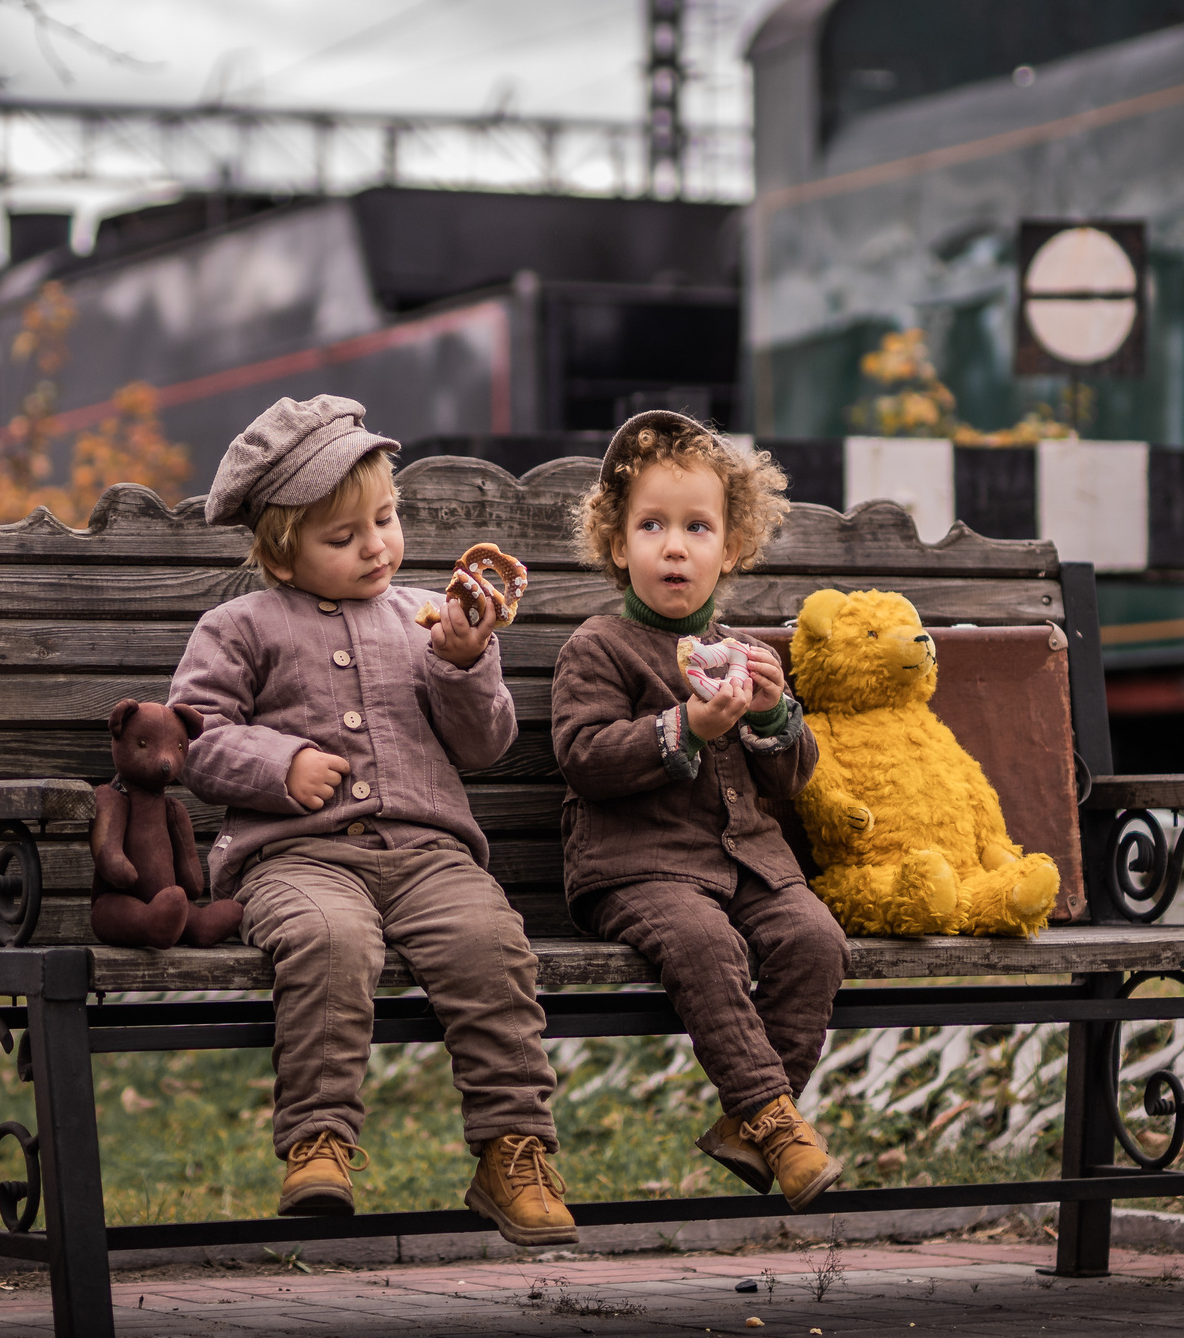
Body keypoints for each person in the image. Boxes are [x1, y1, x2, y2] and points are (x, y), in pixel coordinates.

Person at [170, 394, 574, 1245]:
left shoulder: (429, 617)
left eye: (384, 519)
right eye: (343, 535)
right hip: (298, 859)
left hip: (429, 856)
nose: (376, 545)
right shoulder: (237, 625)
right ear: (281, 550)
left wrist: (467, 664)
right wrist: (280, 764)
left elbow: (487, 743)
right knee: (329, 941)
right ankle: (319, 1141)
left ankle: (514, 1148)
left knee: (489, 944)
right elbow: (194, 739)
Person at [549, 409, 850, 1209]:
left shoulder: (747, 653)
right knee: (703, 942)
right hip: (637, 868)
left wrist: (775, 718)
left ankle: (746, 1122)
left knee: (816, 938)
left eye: (696, 527)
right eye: (651, 525)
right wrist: (683, 725)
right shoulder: (597, 647)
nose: (674, 546)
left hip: (746, 861)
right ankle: (777, 1123)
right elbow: (583, 754)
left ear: (731, 549)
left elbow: (792, 780)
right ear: (619, 546)